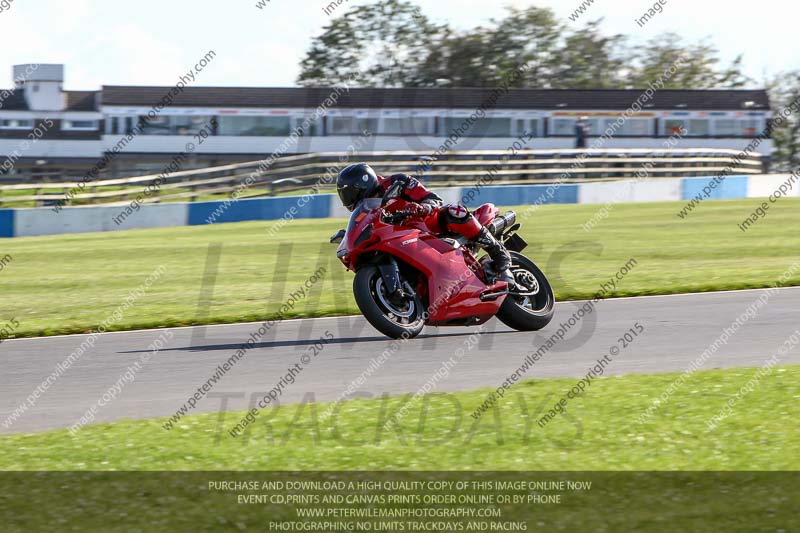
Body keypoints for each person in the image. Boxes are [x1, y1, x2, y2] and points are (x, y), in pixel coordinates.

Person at [336, 163, 514, 284]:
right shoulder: (365, 208)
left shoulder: (396, 182)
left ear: (362, 184)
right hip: (401, 239)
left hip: (429, 224)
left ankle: (499, 255)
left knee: (454, 211)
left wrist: (422, 208)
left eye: (350, 193)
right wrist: (347, 235)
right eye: (344, 195)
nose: (348, 199)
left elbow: (433, 198)